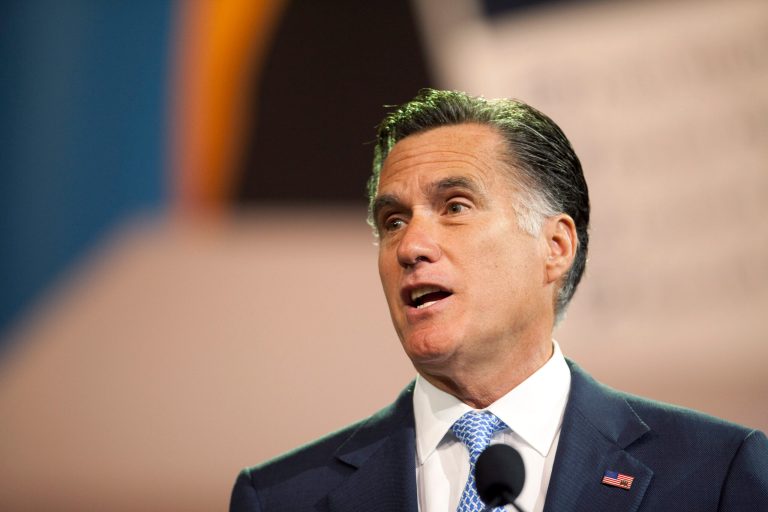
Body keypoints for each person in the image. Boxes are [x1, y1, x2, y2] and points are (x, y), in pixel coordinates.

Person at [230, 89, 768, 512]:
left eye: (456, 207)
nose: (411, 246)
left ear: (554, 247)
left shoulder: (715, 475)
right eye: (393, 221)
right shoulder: (280, 498)